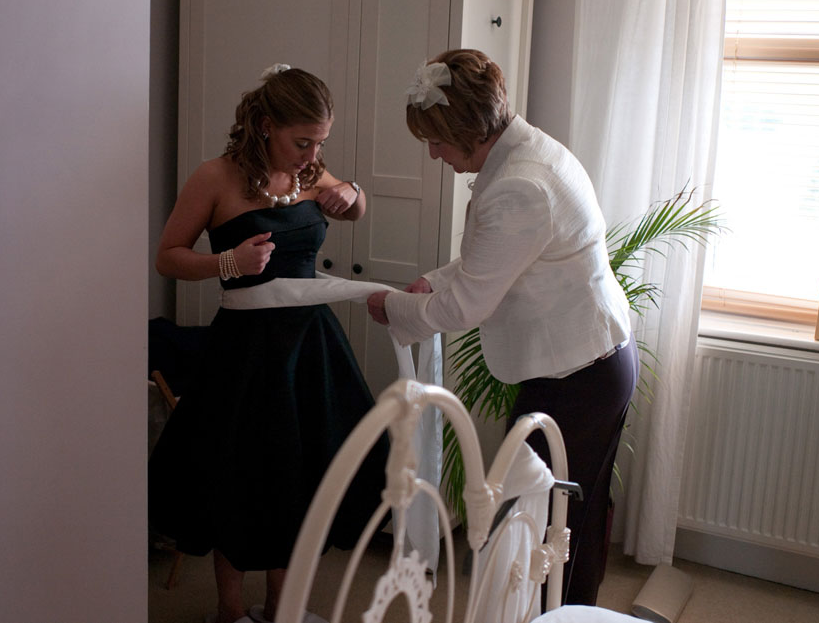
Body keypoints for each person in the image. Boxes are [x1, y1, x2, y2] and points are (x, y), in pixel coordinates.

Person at [366, 49, 638, 606]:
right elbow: (497, 261)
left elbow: (465, 308)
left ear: (467, 130)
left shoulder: (520, 186)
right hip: (592, 357)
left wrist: (393, 307)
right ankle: (561, 612)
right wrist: (431, 280)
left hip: (577, 377)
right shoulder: (529, 150)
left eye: (436, 142)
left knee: (547, 519)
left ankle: (555, 614)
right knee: (563, 514)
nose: (435, 156)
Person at [149, 64, 385, 623]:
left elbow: (356, 205)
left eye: (320, 143)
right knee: (239, 478)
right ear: (263, 125)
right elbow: (168, 256)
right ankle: (230, 612)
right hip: (245, 353)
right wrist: (228, 261)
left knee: (301, 478)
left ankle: (282, 610)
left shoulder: (311, 174)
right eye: (301, 142)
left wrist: (351, 193)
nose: (310, 154)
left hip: (310, 349)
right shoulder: (215, 178)